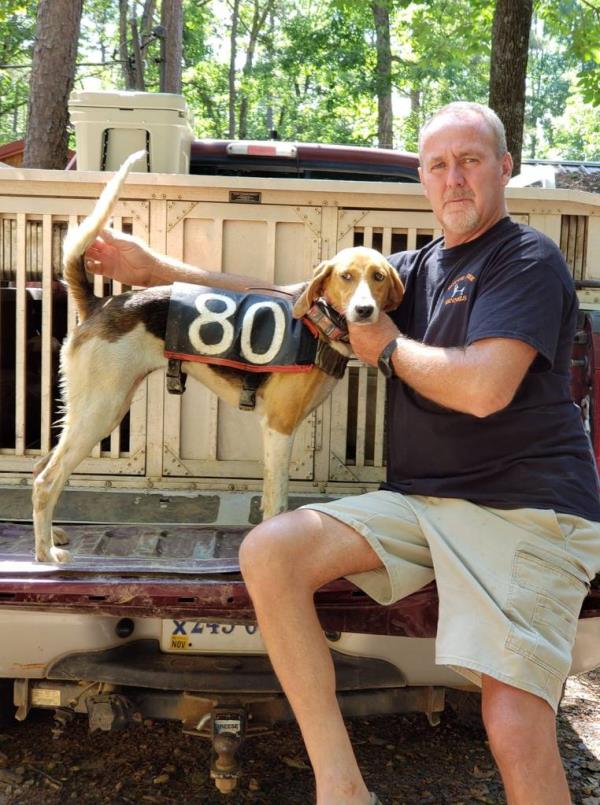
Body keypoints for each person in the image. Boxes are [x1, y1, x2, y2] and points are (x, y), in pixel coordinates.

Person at [86, 102, 600, 805]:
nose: (454, 179)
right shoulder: (405, 273)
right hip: (423, 506)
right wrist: (155, 268)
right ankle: (342, 788)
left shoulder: (523, 257)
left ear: (504, 168)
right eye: (439, 164)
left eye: (471, 160)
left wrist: (386, 346)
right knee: (273, 550)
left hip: (525, 508)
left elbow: (485, 387)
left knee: (511, 718)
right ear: (422, 178)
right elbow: (290, 298)